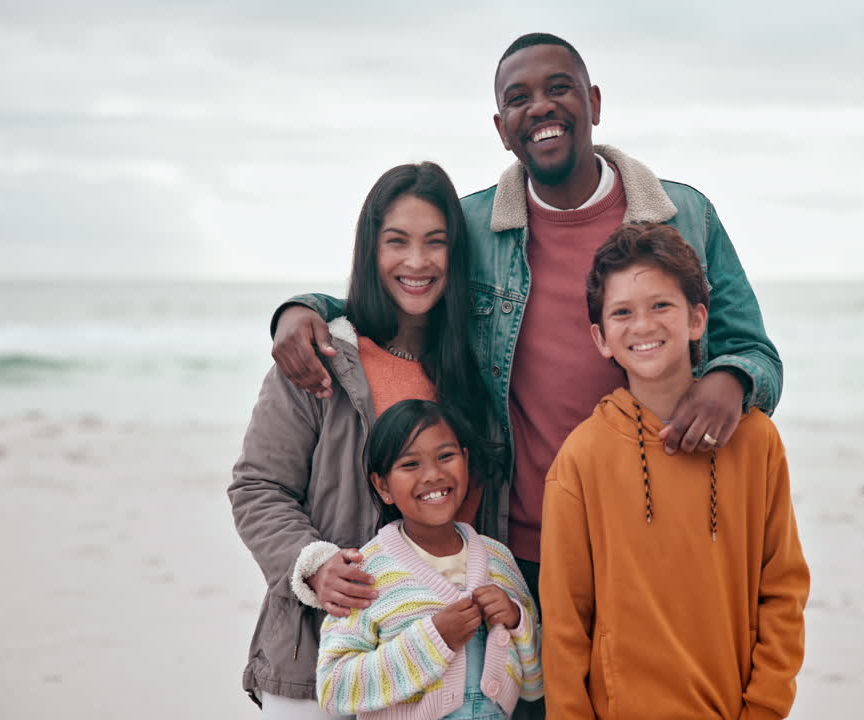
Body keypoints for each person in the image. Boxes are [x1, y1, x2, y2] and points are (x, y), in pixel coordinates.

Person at [269, 32, 782, 605]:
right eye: (518, 98)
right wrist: (305, 310)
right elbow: (400, 290)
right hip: (523, 550)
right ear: (501, 127)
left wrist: (731, 379)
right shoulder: (477, 227)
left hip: (659, 529)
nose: (539, 106)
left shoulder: (685, 214)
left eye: (558, 88)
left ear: (594, 102)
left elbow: (756, 352)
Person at [228, 162, 500, 718]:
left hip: (446, 676)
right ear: (369, 251)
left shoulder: (476, 374)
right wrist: (315, 565)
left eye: (436, 242)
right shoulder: (320, 357)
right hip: (323, 664)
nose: (417, 262)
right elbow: (257, 487)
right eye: (396, 242)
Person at [539, 223, 809, 719]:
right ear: (601, 338)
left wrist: (765, 709)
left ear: (697, 319)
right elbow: (563, 629)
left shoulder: (756, 443)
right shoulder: (580, 461)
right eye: (622, 312)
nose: (642, 326)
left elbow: (783, 594)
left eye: (661, 305)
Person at [317, 399, 542, 720]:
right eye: (410, 464)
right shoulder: (366, 573)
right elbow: (333, 688)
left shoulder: (499, 560)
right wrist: (434, 639)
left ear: (466, 460)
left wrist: (517, 621)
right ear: (383, 486)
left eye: (446, 456)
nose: (433, 474)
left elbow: (536, 685)